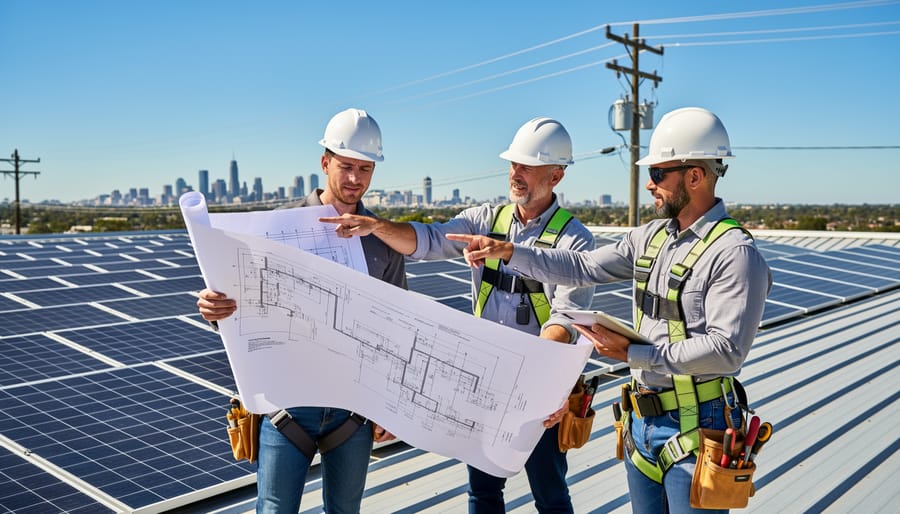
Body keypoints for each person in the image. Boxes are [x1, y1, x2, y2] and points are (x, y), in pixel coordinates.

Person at [446, 107, 772, 514]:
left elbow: (727, 350)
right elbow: (582, 267)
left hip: (696, 423)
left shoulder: (734, 254)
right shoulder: (651, 237)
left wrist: (633, 354)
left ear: (695, 176)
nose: (649, 185)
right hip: (643, 420)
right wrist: (510, 252)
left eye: (658, 174)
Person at [320, 117, 596, 513]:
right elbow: (428, 241)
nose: (516, 174)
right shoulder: (486, 220)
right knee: (483, 491)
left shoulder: (574, 240)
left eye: (528, 168)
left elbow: (565, 318)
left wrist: (537, 384)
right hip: (487, 383)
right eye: (513, 165)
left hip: (541, 388)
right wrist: (376, 226)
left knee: (550, 494)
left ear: (556, 175)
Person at [196, 108, 407, 514]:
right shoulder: (273, 230)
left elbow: (397, 331)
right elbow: (239, 316)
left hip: (355, 412)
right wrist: (214, 310)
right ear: (325, 162)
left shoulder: (383, 240)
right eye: (346, 166)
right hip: (288, 408)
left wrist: (391, 407)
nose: (355, 179)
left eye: (365, 168)